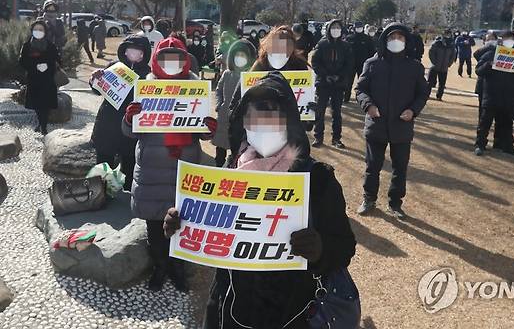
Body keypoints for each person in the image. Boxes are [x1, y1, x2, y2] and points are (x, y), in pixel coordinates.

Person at [162, 72, 356, 329]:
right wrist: (180, 226)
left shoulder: (318, 178)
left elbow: (344, 247)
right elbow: (209, 236)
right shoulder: (227, 176)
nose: (264, 124)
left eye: (273, 114)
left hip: (294, 312)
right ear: (243, 122)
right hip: (231, 306)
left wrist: (320, 250)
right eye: (255, 116)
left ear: (289, 120)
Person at [122, 37, 217, 291]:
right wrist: (131, 118)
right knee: (155, 228)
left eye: (177, 59)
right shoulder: (146, 87)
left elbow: (201, 131)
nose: (171, 64)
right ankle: (159, 267)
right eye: (166, 59)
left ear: (185, 61)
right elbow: (131, 132)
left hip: (184, 170)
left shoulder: (195, 88)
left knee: (182, 225)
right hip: (152, 171)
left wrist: (208, 128)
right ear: (156, 60)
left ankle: (178, 269)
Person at [355, 23, 429, 219]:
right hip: (376, 124)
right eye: (392, 37)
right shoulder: (372, 63)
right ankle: (369, 198)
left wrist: (413, 110)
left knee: (400, 167)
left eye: (401, 37)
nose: (396, 41)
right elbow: (360, 89)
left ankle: (395, 203)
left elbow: (423, 93)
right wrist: (368, 105)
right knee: (372, 165)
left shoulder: (414, 67)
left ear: (406, 41)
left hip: (401, 126)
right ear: (384, 40)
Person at [90, 35, 152, 191]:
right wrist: (94, 79)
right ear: (124, 51)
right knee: (103, 162)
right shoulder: (114, 66)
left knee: (130, 162)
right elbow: (97, 90)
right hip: (108, 122)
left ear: (144, 53)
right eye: (130, 49)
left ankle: (128, 196)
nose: (134, 53)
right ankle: (101, 193)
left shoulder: (149, 75)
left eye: (139, 50)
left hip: (132, 125)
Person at [473, 31, 514, 156]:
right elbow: (479, 70)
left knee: (506, 123)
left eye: (512, 40)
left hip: (508, 95)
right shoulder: (492, 53)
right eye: (506, 39)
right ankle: (480, 144)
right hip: (491, 94)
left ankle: (505, 145)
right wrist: (490, 64)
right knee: (485, 122)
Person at [212, 39, 257, 167]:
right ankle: (218, 167)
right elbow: (219, 89)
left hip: (241, 119)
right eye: (237, 55)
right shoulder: (227, 74)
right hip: (224, 116)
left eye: (243, 55)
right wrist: (219, 104)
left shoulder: (252, 77)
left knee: (236, 149)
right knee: (220, 149)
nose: (239, 58)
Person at [311, 19, 354, 148]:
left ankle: (336, 139)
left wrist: (339, 76)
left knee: (337, 112)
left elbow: (349, 64)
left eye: (338, 27)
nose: (336, 29)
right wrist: (325, 75)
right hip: (323, 83)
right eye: (333, 27)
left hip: (339, 84)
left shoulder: (346, 46)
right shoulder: (322, 44)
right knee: (320, 111)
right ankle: (318, 137)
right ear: (329, 29)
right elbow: (315, 62)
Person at [19, 20, 60, 135]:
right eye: (36, 29)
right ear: (32, 31)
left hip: (47, 79)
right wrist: (35, 66)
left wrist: (48, 65)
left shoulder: (51, 45)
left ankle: (43, 126)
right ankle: (41, 122)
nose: (38, 32)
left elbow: (57, 60)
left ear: (45, 31)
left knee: (46, 104)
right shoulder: (27, 46)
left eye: (41, 30)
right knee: (36, 104)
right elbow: (22, 61)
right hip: (34, 79)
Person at [344, 22, 376, 102]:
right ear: (354, 28)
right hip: (350, 65)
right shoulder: (349, 38)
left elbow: (371, 52)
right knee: (348, 82)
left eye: (360, 27)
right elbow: (344, 51)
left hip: (363, 65)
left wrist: (370, 63)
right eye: (358, 27)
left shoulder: (367, 39)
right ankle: (346, 97)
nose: (359, 29)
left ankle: (361, 99)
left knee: (362, 83)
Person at [428, 30, 456, 101]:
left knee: (442, 84)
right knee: (429, 82)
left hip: (444, 67)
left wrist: (449, 63)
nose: (448, 35)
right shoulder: (437, 43)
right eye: (446, 34)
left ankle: (439, 96)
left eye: (449, 34)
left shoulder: (451, 44)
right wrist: (434, 62)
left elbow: (453, 55)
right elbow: (431, 52)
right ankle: (426, 94)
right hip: (435, 66)